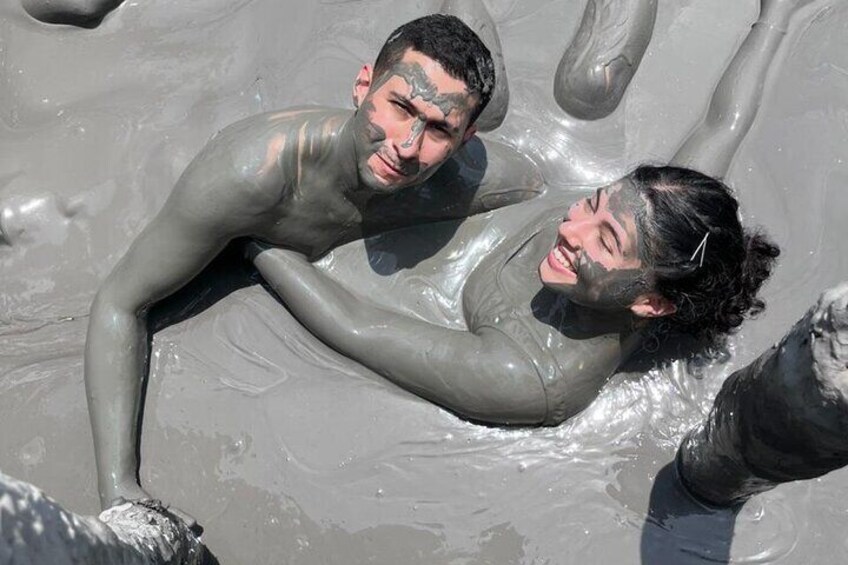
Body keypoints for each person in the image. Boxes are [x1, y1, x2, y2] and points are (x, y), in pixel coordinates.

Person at [249, 0, 820, 426]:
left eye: (604, 239)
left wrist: (254, 238)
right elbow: (725, 124)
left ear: (651, 302)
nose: (571, 230)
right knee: (584, 87)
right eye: (591, 203)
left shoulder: (532, 376)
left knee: (517, 98)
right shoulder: (665, 215)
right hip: (507, 172)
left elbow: (356, 326)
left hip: (487, 184)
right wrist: (777, 18)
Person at [84, 13, 543, 509]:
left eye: (438, 129)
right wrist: (119, 488)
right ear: (363, 86)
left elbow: (536, 187)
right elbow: (119, 303)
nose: (406, 146)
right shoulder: (248, 176)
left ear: (465, 140)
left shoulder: (482, 182)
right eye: (400, 106)